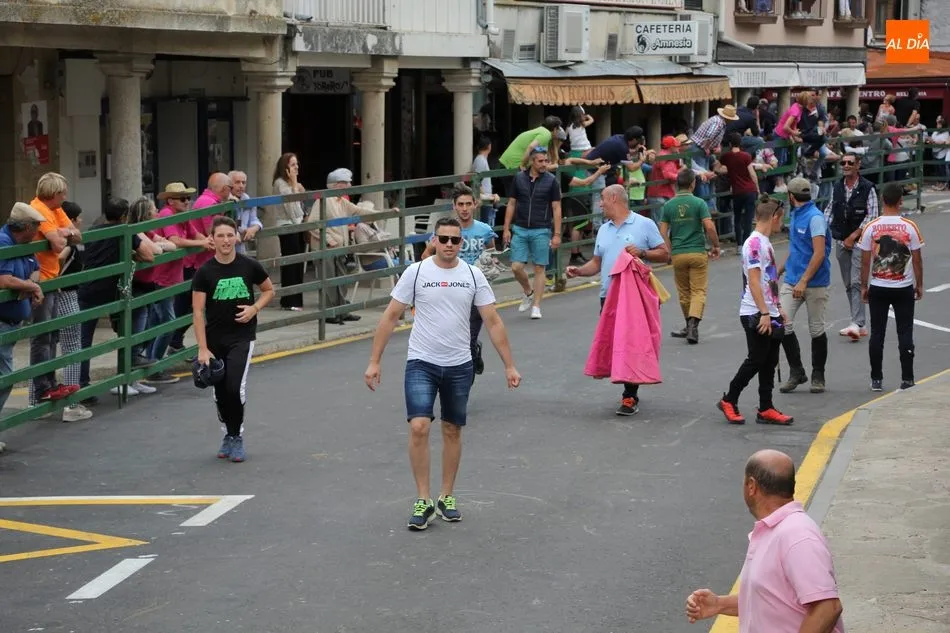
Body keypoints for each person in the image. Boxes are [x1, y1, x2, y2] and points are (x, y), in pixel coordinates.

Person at [364, 217, 521, 531]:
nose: (449, 245)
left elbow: (493, 321)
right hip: (421, 362)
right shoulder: (417, 272)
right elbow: (391, 315)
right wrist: (374, 361)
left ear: (462, 243)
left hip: (459, 365)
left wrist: (509, 364)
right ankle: (423, 499)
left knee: (452, 430)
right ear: (433, 240)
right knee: (419, 426)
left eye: (455, 240)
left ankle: (446, 496)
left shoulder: (473, 275)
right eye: (444, 239)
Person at [685, 450, 844, 633]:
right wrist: (720, 604)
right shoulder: (773, 530)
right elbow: (773, 599)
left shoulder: (797, 535)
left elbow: (827, 607)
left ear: (751, 486)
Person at [566, 184, 669, 416]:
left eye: (602, 199)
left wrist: (643, 253)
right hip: (608, 297)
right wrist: (579, 271)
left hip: (633, 300)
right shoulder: (603, 230)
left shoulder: (644, 224)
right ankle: (626, 386)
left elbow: (665, 254)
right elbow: (596, 263)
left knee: (630, 343)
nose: (600, 204)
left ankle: (630, 396)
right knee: (613, 342)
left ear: (614, 198)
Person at [192, 216, 275, 463]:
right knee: (219, 391)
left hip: (242, 336)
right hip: (215, 338)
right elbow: (197, 312)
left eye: (230, 235)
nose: (226, 240)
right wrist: (203, 348)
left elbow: (269, 290)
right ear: (212, 240)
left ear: (236, 237)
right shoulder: (205, 272)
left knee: (234, 387)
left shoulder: (249, 265)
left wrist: (254, 309)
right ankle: (227, 434)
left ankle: (236, 436)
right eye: (221, 236)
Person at [716, 197, 793, 425]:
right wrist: (765, 313)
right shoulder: (754, 244)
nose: (782, 223)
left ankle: (766, 407)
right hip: (755, 311)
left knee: (770, 361)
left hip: (769, 310)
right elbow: (754, 280)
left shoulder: (765, 242)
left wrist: (777, 307)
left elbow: (770, 279)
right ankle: (729, 399)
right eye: (782, 219)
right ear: (775, 217)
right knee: (757, 359)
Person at [76, 198, 156, 396]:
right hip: (111, 292)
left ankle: (82, 386)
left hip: (87, 289)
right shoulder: (124, 230)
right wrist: (131, 250)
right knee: (128, 331)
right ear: (124, 216)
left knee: (84, 341)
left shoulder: (92, 231)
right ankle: (126, 377)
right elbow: (149, 256)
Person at [422, 184, 496, 377]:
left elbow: (491, 252)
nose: (464, 208)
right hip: (449, 291)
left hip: (475, 291)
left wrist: (490, 263)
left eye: (468, 204)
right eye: (460, 204)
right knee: (451, 337)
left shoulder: (484, 230)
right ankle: (472, 353)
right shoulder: (446, 231)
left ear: (475, 205)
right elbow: (426, 255)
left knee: (467, 339)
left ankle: (465, 379)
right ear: (454, 206)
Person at [858, 183, 923, 392]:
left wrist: (863, 286)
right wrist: (919, 284)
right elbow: (917, 260)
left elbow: (865, 261)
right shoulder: (910, 226)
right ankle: (908, 378)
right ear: (901, 201)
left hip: (878, 285)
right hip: (903, 287)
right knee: (905, 332)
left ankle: (876, 378)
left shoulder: (871, 227)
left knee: (877, 333)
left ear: (882, 200)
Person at [29, 172, 83, 402]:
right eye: (63, 193)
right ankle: (41, 388)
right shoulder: (40, 209)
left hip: (51, 278)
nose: (65, 197)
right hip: (39, 279)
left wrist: (65, 232)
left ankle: (49, 384)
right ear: (54, 193)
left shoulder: (55, 209)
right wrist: (63, 234)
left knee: (51, 335)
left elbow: (77, 236)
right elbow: (59, 243)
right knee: (41, 337)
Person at [777, 177, 832, 394]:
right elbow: (798, 248)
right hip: (793, 279)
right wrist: (780, 269)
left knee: (816, 328)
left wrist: (803, 280)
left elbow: (818, 253)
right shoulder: (797, 215)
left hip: (814, 281)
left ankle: (818, 374)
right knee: (782, 324)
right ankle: (797, 370)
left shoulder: (815, 218)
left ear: (791, 196)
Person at [659, 169, 721, 344]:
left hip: (678, 253)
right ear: (693, 183)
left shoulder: (669, 205)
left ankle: (688, 324)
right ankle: (693, 325)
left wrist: (669, 250)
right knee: (698, 291)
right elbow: (709, 227)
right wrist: (716, 245)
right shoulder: (699, 203)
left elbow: (662, 231)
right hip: (697, 252)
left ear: (677, 183)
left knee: (684, 292)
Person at [169, 173, 229, 349]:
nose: (187, 201)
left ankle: (174, 341)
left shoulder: (195, 208)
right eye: (182, 198)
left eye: (188, 197)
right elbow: (212, 231)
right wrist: (207, 241)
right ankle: (172, 341)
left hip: (195, 262)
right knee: (187, 306)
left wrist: (204, 240)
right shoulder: (208, 204)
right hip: (196, 263)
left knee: (186, 305)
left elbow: (197, 232)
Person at [503, 146, 562, 320]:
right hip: (520, 228)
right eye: (541, 161)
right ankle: (528, 292)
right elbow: (512, 203)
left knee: (539, 267)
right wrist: (506, 228)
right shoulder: (519, 179)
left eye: (546, 160)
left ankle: (536, 306)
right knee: (516, 266)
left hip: (542, 229)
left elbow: (557, 208)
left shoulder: (551, 181)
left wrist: (557, 234)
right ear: (532, 161)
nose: (544, 164)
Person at [824, 152, 878, 341]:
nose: (845, 165)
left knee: (856, 282)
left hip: (860, 243)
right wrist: (821, 231)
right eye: (843, 162)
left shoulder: (867, 188)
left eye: (850, 163)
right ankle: (859, 323)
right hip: (840, 241)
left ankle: (858, 322)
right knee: (849, 283)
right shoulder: (837, 186)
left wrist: (854, 236)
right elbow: (830, 210)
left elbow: (872, 216)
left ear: (858, 166)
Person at [0, 203, 45, 414]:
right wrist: (31, 286)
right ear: (26, 227)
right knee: (5, 378)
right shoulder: (4, 242)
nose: (38, 231)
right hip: (2, 321)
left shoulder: (24, 245)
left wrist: (28, 283)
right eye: (36, 226)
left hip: (12, 322)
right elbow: (4, 279)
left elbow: (36, 269)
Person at [54, 201, 93, 421]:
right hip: (66, 294)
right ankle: (71, 404)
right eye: (78, 218)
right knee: (72, 348)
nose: (80, 221)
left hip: (55, 296)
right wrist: (55, 279)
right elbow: (58, 260)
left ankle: (35, 399)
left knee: (44, 346)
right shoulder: (69, 243)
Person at [272, 153, 306, 310]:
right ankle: (289, 300)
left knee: (298, 263)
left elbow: (300, 209)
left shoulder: (293, 184)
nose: (296, 167)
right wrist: (294, 184)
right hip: (287, 226)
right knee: (290, 264)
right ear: (285, 167)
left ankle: (295, 299)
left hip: (296, 226)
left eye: (297, 164)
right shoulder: (281, 183)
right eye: (293, 165)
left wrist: (296, 186)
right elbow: (294, 211)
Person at [716, 132, 760, 252]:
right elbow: (752, 174)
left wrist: (728, 171)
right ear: (740, 143)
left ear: (730, 144)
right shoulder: (746, 156)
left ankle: (739, 245)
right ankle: (747, 244)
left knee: (737, 218)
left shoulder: (726, 157)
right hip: (750, 190)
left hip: (737, 191)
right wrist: (757, 188)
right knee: (748, 218)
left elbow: (716, 168)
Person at [498, 116, 563, 171]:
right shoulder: (546, 134)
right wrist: (522, 165)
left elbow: (542, 159)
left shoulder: (542, 132)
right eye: (558, 129)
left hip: (508, 162)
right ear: (555, 129)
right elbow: (531, 147)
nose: (559, 131)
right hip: (512, 165)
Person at [228, 170, 262, 255]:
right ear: (230, 184)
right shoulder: (224, 200)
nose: (241, 186)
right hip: (226, 245)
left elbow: (254, 219)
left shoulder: (247, 199)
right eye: (237, 182)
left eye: (243, 183)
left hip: (241, 247)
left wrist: (254, 228)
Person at [472, 136, 501, 230]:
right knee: (485, 227)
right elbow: (477, 180)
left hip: (486, 198)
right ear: (489, 146)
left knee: (487, 226)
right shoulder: (480, 159)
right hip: (484, 199)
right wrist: (486, 195)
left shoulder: (482, 159)